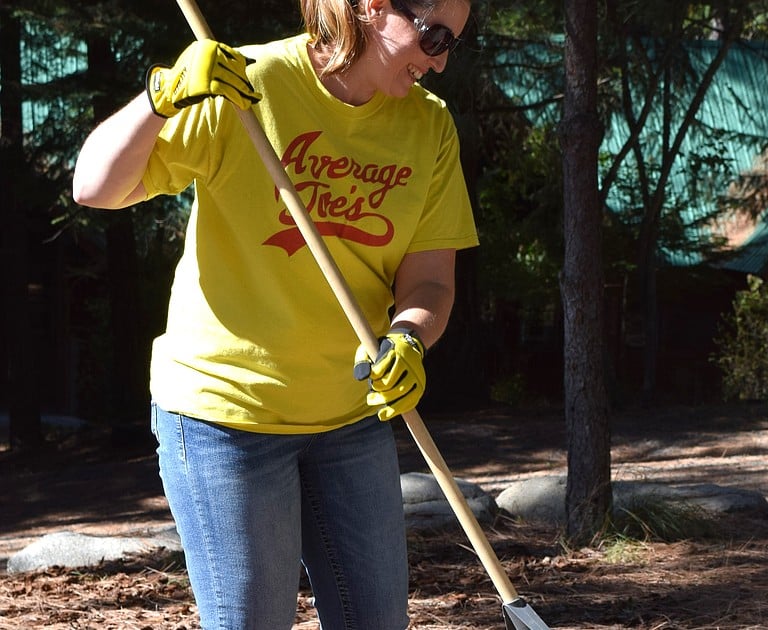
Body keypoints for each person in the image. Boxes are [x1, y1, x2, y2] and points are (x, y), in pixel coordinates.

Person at [72, 0, 476, 627]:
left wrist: (409, 339)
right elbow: (95, 187)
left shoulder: (430, 126)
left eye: (453, 43)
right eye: (435, 36)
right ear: (372, 7)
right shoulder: (244, 86)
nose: (442, 61)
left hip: (351, 414)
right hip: (225, 418)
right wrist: (161, 98)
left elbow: (430, 282)